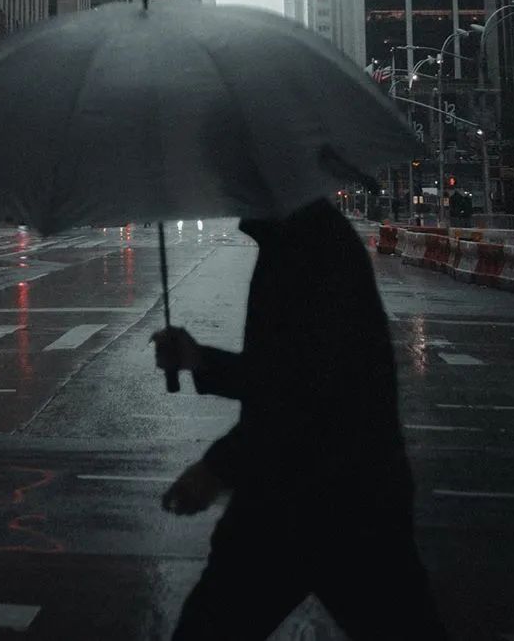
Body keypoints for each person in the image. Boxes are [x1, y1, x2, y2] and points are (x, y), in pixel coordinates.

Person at [152, 196, 449, 641]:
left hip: (317, 497)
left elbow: (305, 388)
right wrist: (201, 360)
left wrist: (218, 467)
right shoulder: (300, 237)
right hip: (338, 495)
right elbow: (287, 371)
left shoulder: (306, 246)